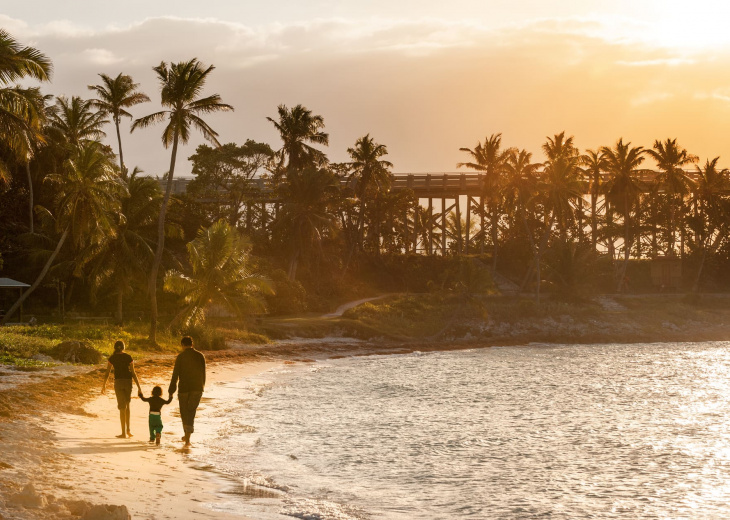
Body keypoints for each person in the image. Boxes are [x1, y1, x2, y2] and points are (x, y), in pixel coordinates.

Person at [168, 336, 206, 447]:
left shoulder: (181, 357)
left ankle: (187, 436)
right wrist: (201, 387)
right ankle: (188, 437)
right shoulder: (200, 356)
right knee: (191, 412)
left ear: (182, 345)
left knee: (184, 412)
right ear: (192, 344)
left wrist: (171, 390)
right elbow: (203, 374)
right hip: (197, 388)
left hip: (184, 388)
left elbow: (175, 375)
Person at [101, 340, 141, 438]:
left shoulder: (112, 358)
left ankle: (123, 433)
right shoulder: (128, 357)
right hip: (128, 382)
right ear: (123, 347)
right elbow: (133, 373)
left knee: (121, 408)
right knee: (127, 406)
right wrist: (139, 387)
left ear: (115, 347)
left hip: (118, 383)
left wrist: (104, 385)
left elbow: (107, 373)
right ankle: (128, 431)